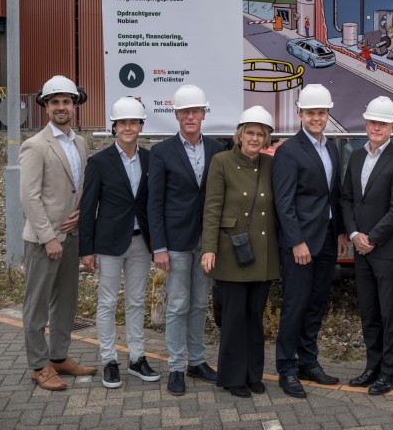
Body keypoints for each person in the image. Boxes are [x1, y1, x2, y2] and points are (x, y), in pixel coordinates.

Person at [148, 84, 224, 396]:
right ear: (176, 115)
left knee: (198, 304)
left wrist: (215, 242)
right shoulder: (161, 152)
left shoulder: (217, 150)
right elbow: (154, 203)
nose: (190, 116)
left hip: (205, 242)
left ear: (204, 114)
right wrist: (159, 247)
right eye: (185, 112)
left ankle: (198, 361)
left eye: (196, 111)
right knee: (178, 304)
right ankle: (176, 366)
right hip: (176, 243)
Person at [20, 75, 96, 390]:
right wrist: (49, 237)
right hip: (44, 241)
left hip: (72, 236)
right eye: (55, 102)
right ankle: (39, 365)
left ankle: (59, 356)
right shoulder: (35, 146)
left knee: (66, 302)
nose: (61, 107)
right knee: (36, 305)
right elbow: (29, 196)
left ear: (74, 106)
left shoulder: (80, 142)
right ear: (46, 107)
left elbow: (80, 188)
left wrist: (81, 214)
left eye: (67, 101)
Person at [78, 97, 159, 390]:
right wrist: (86, 249)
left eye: (134, 122)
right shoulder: (99, 162)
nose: (129, 127)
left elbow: (154, 203)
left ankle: (137, 359)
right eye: (123, 122)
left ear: (141, 126)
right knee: (108, 303)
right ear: (114, 127)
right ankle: (109, 361)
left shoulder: (151, 159)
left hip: (140, 244)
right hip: (109, 244)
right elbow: (88, 209)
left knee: (136, 302)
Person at [201, 106, 281, 398]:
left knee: (254, 317)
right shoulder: (221, 162)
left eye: (261, 134)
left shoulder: (271, 165)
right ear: (239, 134)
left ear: (267, 139)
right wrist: (209, 248)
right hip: (231, 250)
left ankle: (253, 374)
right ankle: (233, 377)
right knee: (234, 318)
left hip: (263, 252)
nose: (255, 138)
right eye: (250, 132)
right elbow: (211, 208)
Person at [272, 84, 346, 399]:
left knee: (316, 304)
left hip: (327, 240)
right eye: (311, 112)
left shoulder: (332, 148)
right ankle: (286, 369)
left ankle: (308, 361)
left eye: (321, 112)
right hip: (301, 244)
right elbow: (283, 202)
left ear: (328, 114)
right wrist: (296, 242)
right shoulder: (289, 151)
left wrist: (341, 231)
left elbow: (335, 196)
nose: (316, 118)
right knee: (295, 306)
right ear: (300, 114)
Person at [341, 96, 393, 395]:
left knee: (389, 314)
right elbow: (346, 198)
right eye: (372, 122)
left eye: (382, 123)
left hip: (386, 252)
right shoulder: (357, 156)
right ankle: (372, 366)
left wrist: (371, 238)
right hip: (361, 249)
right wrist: (354, 233)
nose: (376, 127)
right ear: (366, 123)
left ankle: (389, 373)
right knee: (369, 311)